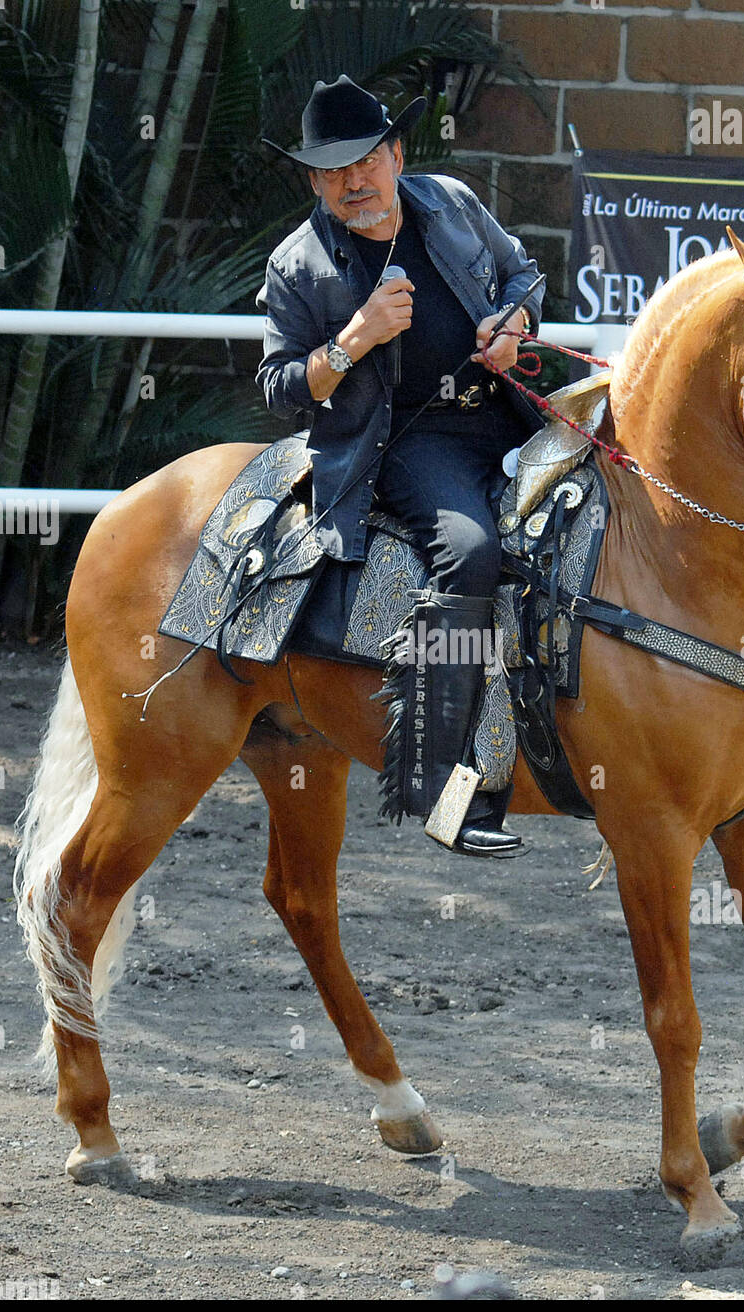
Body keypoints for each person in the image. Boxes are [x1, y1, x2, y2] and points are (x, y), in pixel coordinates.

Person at [256, 75, 545, 856]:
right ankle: (442, 790)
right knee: (472, 552)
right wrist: (353, 340)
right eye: (332, 170)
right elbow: (281, 387)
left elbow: (524, 273)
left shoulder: (448, 201)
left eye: (368, 159)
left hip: (508, 410)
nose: (354, 181)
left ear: (397, 154)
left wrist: (513, 324)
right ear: (314, 180)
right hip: (407, 446)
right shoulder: (299, 264)